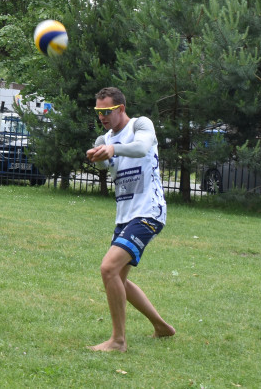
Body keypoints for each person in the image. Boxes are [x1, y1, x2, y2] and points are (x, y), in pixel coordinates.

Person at [85, 86, 174, 352]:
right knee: (119, 279)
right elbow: (104, 163)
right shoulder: (105, 139)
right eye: (98, 112)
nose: (102, 116)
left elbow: (141, 148)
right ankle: (162, 327)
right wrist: (97, 155)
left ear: (120, 108)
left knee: (108, 269)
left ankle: (118, 341)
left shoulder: (140, 126)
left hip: (149, 212)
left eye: (107, 111)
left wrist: (112, 149)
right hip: (125, 216)